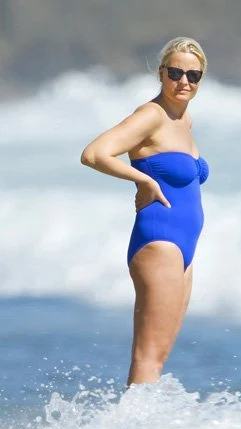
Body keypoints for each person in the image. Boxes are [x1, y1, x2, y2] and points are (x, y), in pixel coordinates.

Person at [81, 37, 209, 385]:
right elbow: (95, 153)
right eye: (176, 72)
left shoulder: (184, 120)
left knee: (160, 355)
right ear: (161, 73)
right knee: (147, 357)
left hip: (183, 247)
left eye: (193, 76)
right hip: (159, 240)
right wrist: (143, 181)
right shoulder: (151, 115)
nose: (184, 81)